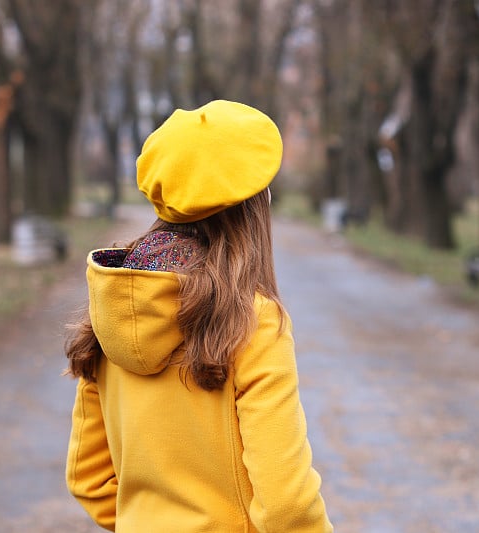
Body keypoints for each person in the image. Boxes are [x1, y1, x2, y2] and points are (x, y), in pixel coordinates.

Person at [64, 100, 333, 532]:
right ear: (252, 208)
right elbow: (287, 505)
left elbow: (88, 478)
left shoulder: (112, 309)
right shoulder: (253, 322)